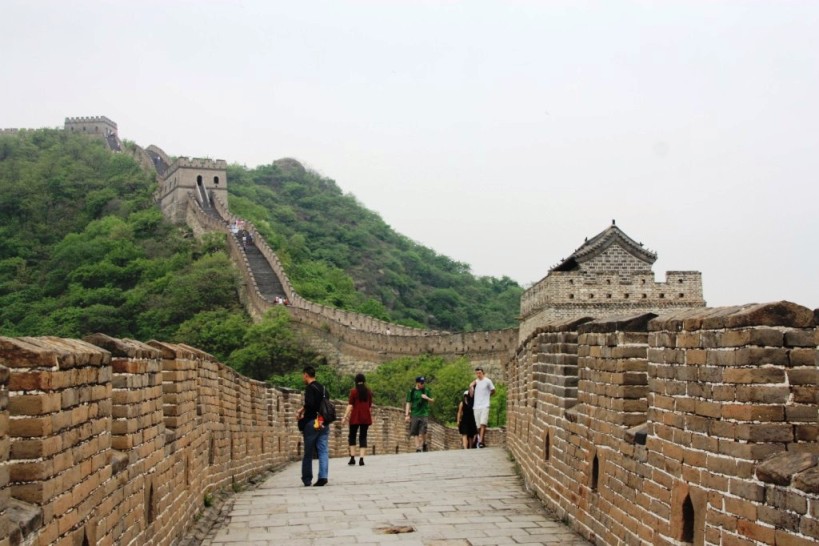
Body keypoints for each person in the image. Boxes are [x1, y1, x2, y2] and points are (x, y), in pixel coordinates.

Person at [296, 366, 330, 486]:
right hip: (323, 421)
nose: (303, 378)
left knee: (308, 452)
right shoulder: (323, 388)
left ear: (306, 375)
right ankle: (323, 476)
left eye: (303, 376)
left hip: (312, 422)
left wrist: (301, 412)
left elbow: (310, 404)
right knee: (323, 450)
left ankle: (307, 479)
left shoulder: (310, 388)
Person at [342, 373, 373, 466]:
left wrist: (345, 417)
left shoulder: (353, 391)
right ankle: (361, 459)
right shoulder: (368, 392)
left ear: (355, 381)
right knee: (363, 436)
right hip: (365, 417)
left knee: (352, 436)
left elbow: (350, 405)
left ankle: (352, 458)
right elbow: (369, 406)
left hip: (355, 417)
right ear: (364, 381)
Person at [405, 376, 434, 452]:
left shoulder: (426, 390)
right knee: (415, 431)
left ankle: (424, 443)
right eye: (421, 383)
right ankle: (418, 448)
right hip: (414, 413)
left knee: (423, 431)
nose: (422, 384)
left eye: (423, 383)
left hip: (424, 413)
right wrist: (407, 415)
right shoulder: (411, 391)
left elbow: (432, 401)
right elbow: (408, 402)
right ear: (417, 383)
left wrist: (427, 398)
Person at [469, 367, 495, 448]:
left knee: (483, 423)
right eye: (477, 373)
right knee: (478, 427)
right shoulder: (475, 382)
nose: (478, 374)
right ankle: (482, 441)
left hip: (485, 405)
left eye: (479, 373)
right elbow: (471, 395)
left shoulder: (487, 381)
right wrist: (471, 386)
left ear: (483, 373)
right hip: (476, 406)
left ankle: (480, 441)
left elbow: (493, 390)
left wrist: (488, 396)